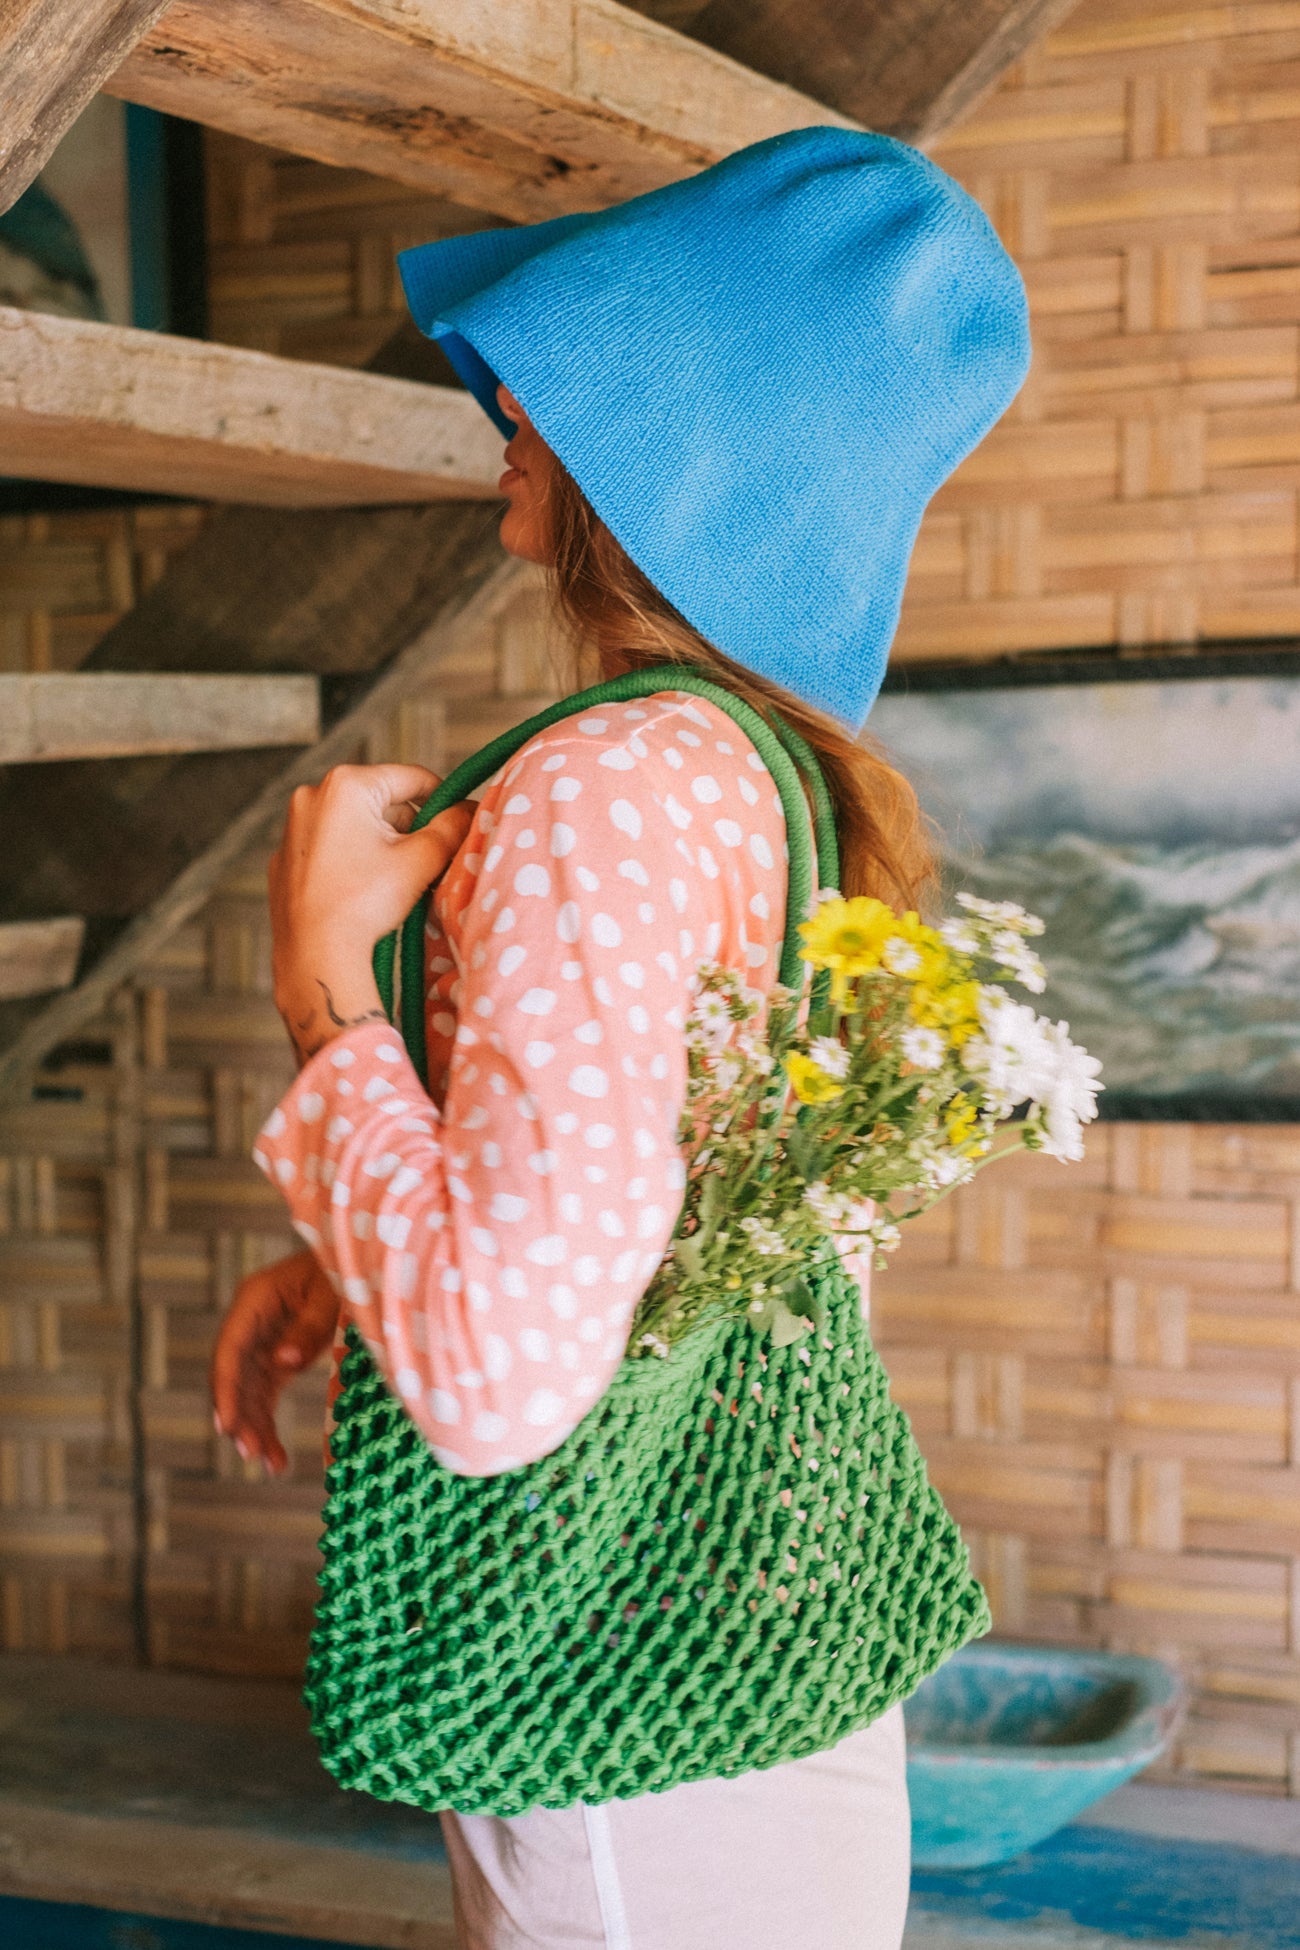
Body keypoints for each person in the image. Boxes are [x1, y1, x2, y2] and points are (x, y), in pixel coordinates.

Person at [212, 127, 1029, 1949]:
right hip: (758, 1648)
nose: (504, 384)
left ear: (684, 440)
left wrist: (322, 992)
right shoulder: (756, 783)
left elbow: (502, 1385)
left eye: (576, 358)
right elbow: (636, 1196)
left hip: (633, 1728)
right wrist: (357, 1257)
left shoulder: (599, 790)